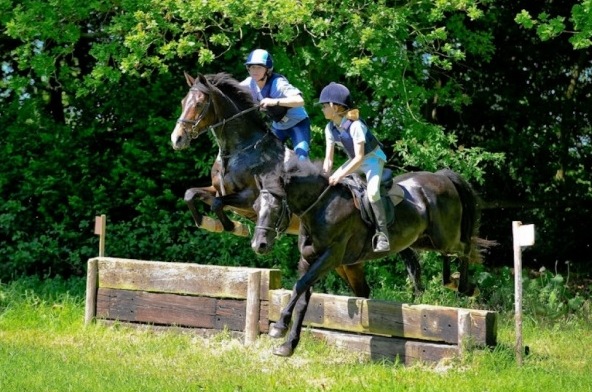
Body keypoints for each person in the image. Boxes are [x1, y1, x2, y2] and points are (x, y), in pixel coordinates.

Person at [319, 82, 390, 252]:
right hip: (355, 161)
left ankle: (383, 235)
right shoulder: (329, 128)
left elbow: (359, 157)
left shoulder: (356, 126)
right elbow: (329, 160)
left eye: (323, 106)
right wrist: (324, 176)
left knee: (372, 192)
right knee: (332, 184)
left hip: (372, 160)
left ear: (334, 107)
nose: (322, 109)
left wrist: (340, 174)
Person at [240, 49, 311, 160]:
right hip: (279, 126)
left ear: (267, 69)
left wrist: (275, 101)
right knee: (265, 156)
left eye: (259, 67)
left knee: (302, 158)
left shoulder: (278, 83)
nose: (254, 71)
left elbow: (300, 100)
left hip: (298, 123)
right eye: (252, 67)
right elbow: (231, 90)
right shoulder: (249, 83)